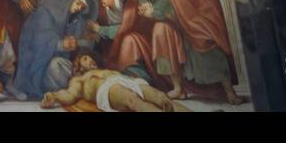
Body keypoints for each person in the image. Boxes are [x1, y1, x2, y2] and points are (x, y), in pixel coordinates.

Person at [12, 0, 99, 99]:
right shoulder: (46, 11)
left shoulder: (76, 19)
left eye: (82, 8)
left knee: (62, 68)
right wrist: (60, 45)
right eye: (78, 4)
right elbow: (37, 39)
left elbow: (82, 44)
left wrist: (80, 42)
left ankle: (73, 90)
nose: (79, 8)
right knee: (56, 68)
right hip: (37, 63)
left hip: (59, 62)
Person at [41, 54, 183, 112]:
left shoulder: (104, 69)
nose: (90, 60)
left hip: (127, 81)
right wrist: (54, 96)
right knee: (132, 99)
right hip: (107, 88)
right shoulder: (79, 79)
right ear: (78, 66)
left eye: (91, 58)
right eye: (85, 59)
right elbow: (69, 95)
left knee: (160, 97)